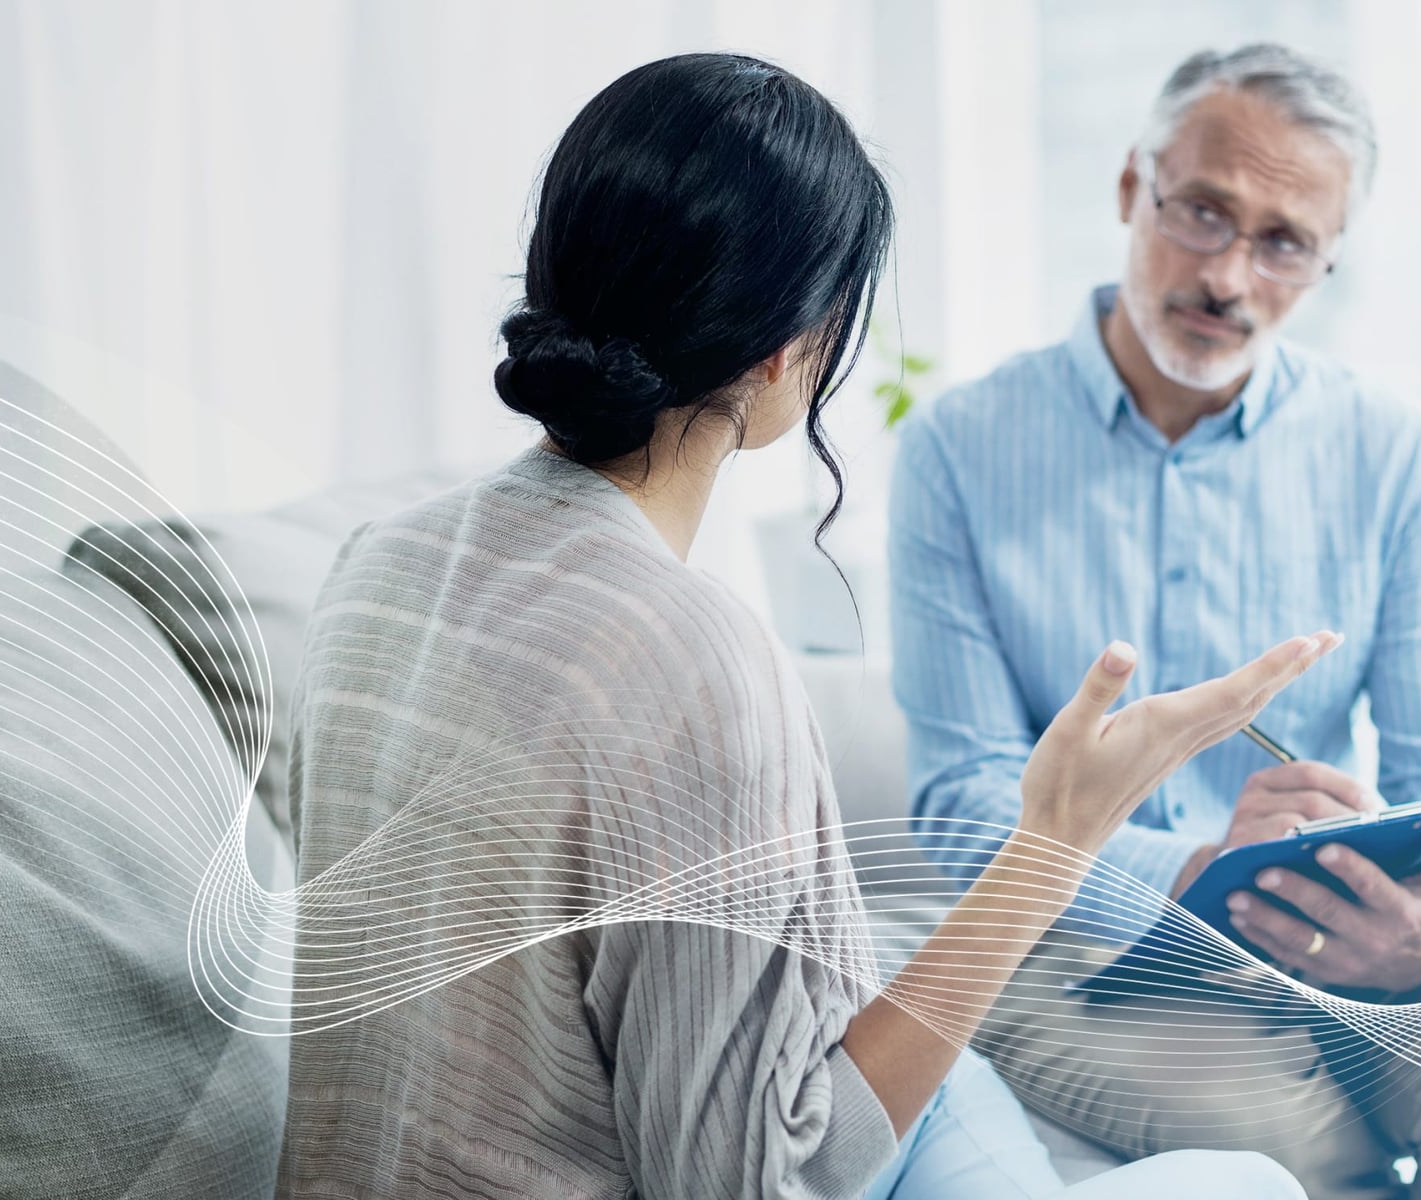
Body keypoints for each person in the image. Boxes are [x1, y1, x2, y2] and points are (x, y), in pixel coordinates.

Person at [274, 52, 1318, 1200]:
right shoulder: (692, 661)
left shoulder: (376, 563)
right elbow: (763, 1181)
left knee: (951, 1076)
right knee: (1248, 1183)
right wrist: (1053, 845)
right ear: (787, 349)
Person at [890, 44, 1421, 1200]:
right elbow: (959, 800)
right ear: (1135, 190)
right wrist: (1194, 867)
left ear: (1325, 264)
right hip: (1086, 955)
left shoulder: (1398, 455)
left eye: (1283, 242)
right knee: (1281, 1138)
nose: (1228, 274)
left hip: (1341, 932)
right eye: (1203, 213)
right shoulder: (955, 450)